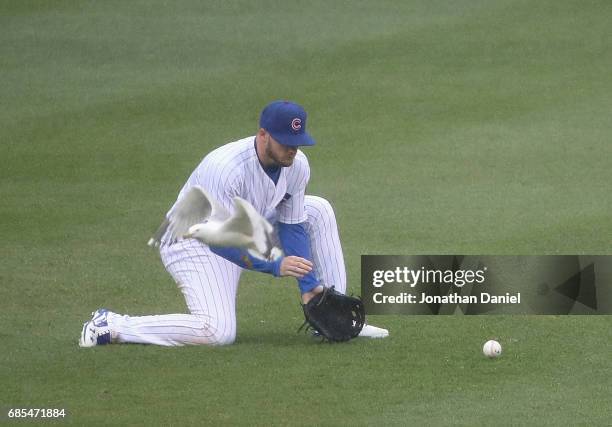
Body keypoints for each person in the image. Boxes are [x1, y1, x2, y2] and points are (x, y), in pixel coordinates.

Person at [79, 100, 388, 347]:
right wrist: (275, 264)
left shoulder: (296, 165)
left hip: (243, 227)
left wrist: (309, 288)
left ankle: (333, 317)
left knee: (318, 210)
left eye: (297, 142)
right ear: (263, 134)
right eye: (285, 142)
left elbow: (293, 225)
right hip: (195, 241)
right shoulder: (226, 169)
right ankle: (112, 325)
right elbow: (220, 239)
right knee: (217, 332)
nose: (292, 150)